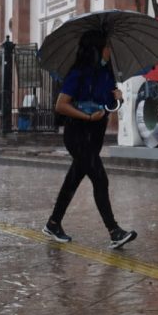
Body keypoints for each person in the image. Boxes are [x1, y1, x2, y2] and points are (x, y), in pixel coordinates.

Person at [42, 29, 137, 249]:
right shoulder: (78, 73)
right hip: (77, 134)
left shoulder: (106, 73)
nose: (109, 51)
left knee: (73, 180)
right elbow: (61, 105)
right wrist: (86, 115)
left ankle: (53, 223)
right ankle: (114, 231)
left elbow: (108, 106)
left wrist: (118, 100)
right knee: (100, 178)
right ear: (96, 49)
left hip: (96, 134)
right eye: (106, 47)